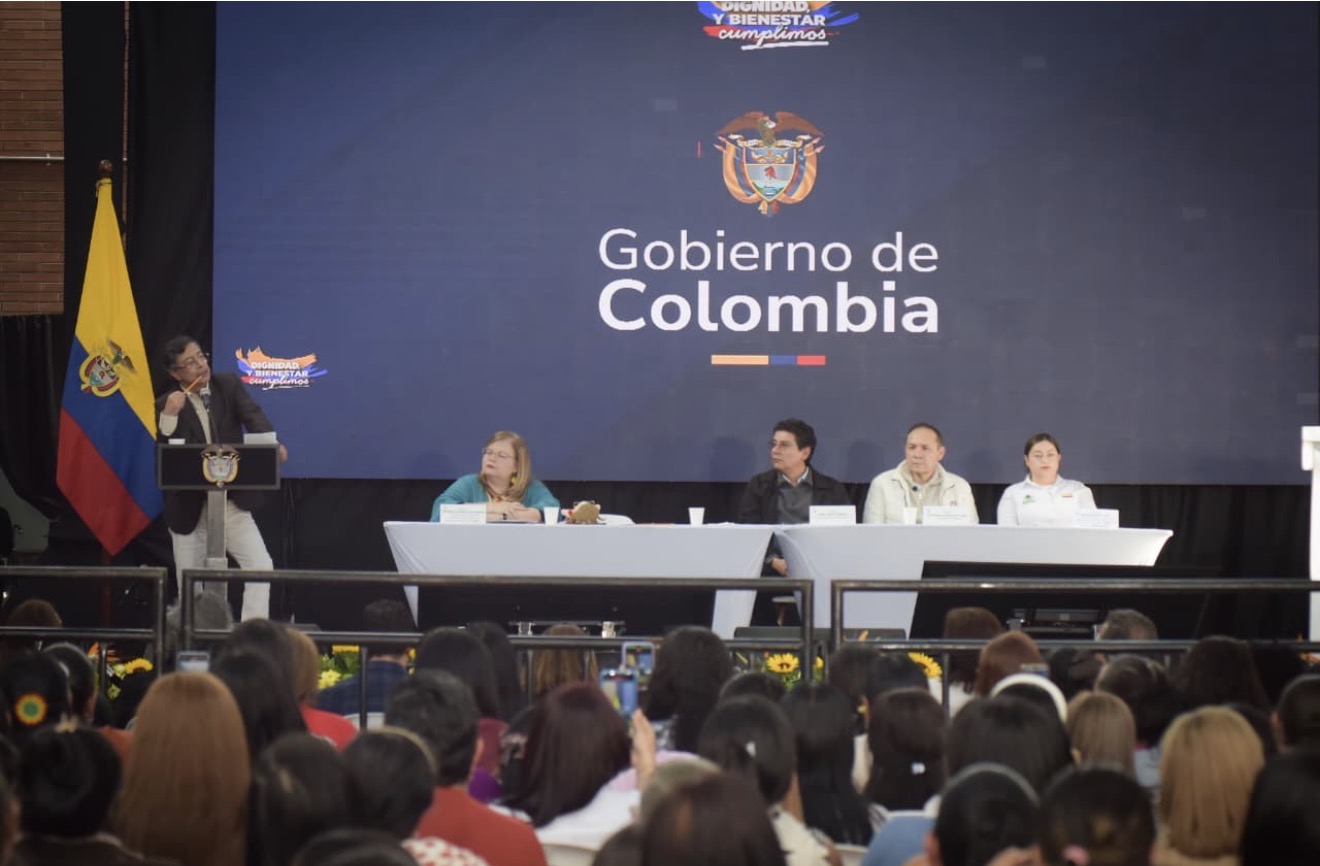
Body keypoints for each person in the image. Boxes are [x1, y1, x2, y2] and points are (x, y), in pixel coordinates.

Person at [156, 335, 287, 621]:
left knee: (261, 567)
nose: (201, 365)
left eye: (201, 357)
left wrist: (271, 444)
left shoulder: (226, 385)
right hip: (189, 508)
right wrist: (169, 415)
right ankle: (194, 640)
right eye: (190, 363)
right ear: (175, 373)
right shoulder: (168, 403)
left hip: (231, 503)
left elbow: (254, 416)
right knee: (189, 582)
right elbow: (165, 446)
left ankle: (252, 634)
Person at [737, 418, 852, 623]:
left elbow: (843, 536)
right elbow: (748, 531)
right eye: (773, 444)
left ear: (805, 453)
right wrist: (773, 561)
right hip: (771, 567)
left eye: (784, 445)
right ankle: (764, 648)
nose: (775, 450)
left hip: (817, 568)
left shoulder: (832, 489)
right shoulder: (759, 486)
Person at [429, 431, 558, 523]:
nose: (491, 458)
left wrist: (503, 516)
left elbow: (552, 511)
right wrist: (492, 508)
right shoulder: (468, 483)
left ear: (517, 466)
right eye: (488, 452)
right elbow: (441, 510)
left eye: (501, 455)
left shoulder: (531, 487)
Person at [862, 424, 978, 525]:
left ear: (940, 453)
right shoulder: (882, 484)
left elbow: (971, 535)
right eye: (912, 447)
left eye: (925, 448)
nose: (917, 454)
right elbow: (872, 535)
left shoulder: (960, 487)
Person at [996, 433, 1096, 527]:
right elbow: (1006, 535)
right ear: (1027, 460)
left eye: (1050, 455)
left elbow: (1092, 530)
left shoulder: (1078, 490)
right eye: (1038, 456)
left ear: (1059, 458)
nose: (1044, 460)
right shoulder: (1012, 493)